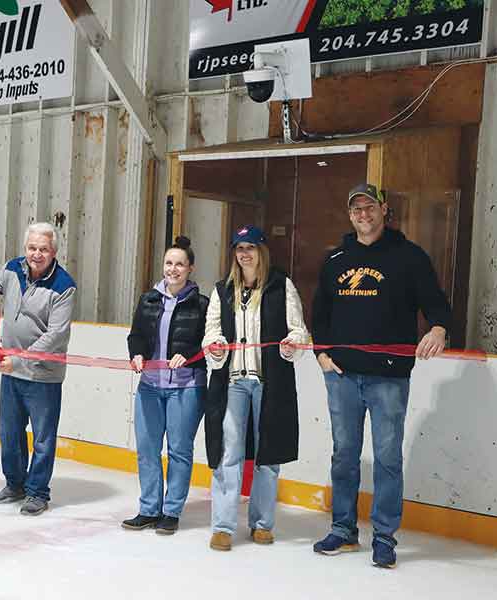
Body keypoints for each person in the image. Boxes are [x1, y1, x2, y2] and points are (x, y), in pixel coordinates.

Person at [311, 183, 450, 568]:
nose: (364, 215)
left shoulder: (409, 257)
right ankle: (343, 530)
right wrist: (321, 352)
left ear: (383, 209)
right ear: (350, 214)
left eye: (370, 207)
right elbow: (319, 314)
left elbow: (436, 303)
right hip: (341, 377)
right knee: (344, 456)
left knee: (388, 458)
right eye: (356, 209)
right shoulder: (336, 259)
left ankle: (385, 537)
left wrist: (438, 328)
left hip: (388, 378)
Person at [202, 225, 309, 551]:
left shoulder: (281, 286)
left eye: (250, 247)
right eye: (238, 248)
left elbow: (300, 331)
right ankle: (222, 526)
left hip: (269, 383)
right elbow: (211, 332)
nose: (244, 253)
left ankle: (262, 524)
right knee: (228, 453)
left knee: (268, 454)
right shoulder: (223, 290)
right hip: (233, 383)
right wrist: (216, 345)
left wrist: (293, 344)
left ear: (261, 250)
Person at [0, 223, 76, 516]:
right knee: (8, 433)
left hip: (43, 375)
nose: (37, 254)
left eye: (43, 249)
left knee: (43, 437)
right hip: (11, 372)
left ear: (53, 251)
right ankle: (15, 484)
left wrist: (18, 360)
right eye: (32, 248)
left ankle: (37, 493)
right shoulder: (12, 269)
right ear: (25, 248)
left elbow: (54, 336)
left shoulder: (64, 285)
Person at [123, 236, 208, 535]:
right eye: (169, 263)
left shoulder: (202, 304)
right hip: (150, 386)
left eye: (180, 264)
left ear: (190, 268)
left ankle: (171, 511)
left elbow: (204, 344)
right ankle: (148, 509)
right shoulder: (148, 299)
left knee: (179, 451)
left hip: (186, 387)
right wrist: (136, 354)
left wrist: (189, 354)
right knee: (147, 450)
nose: (173, 269)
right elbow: (136, 335)